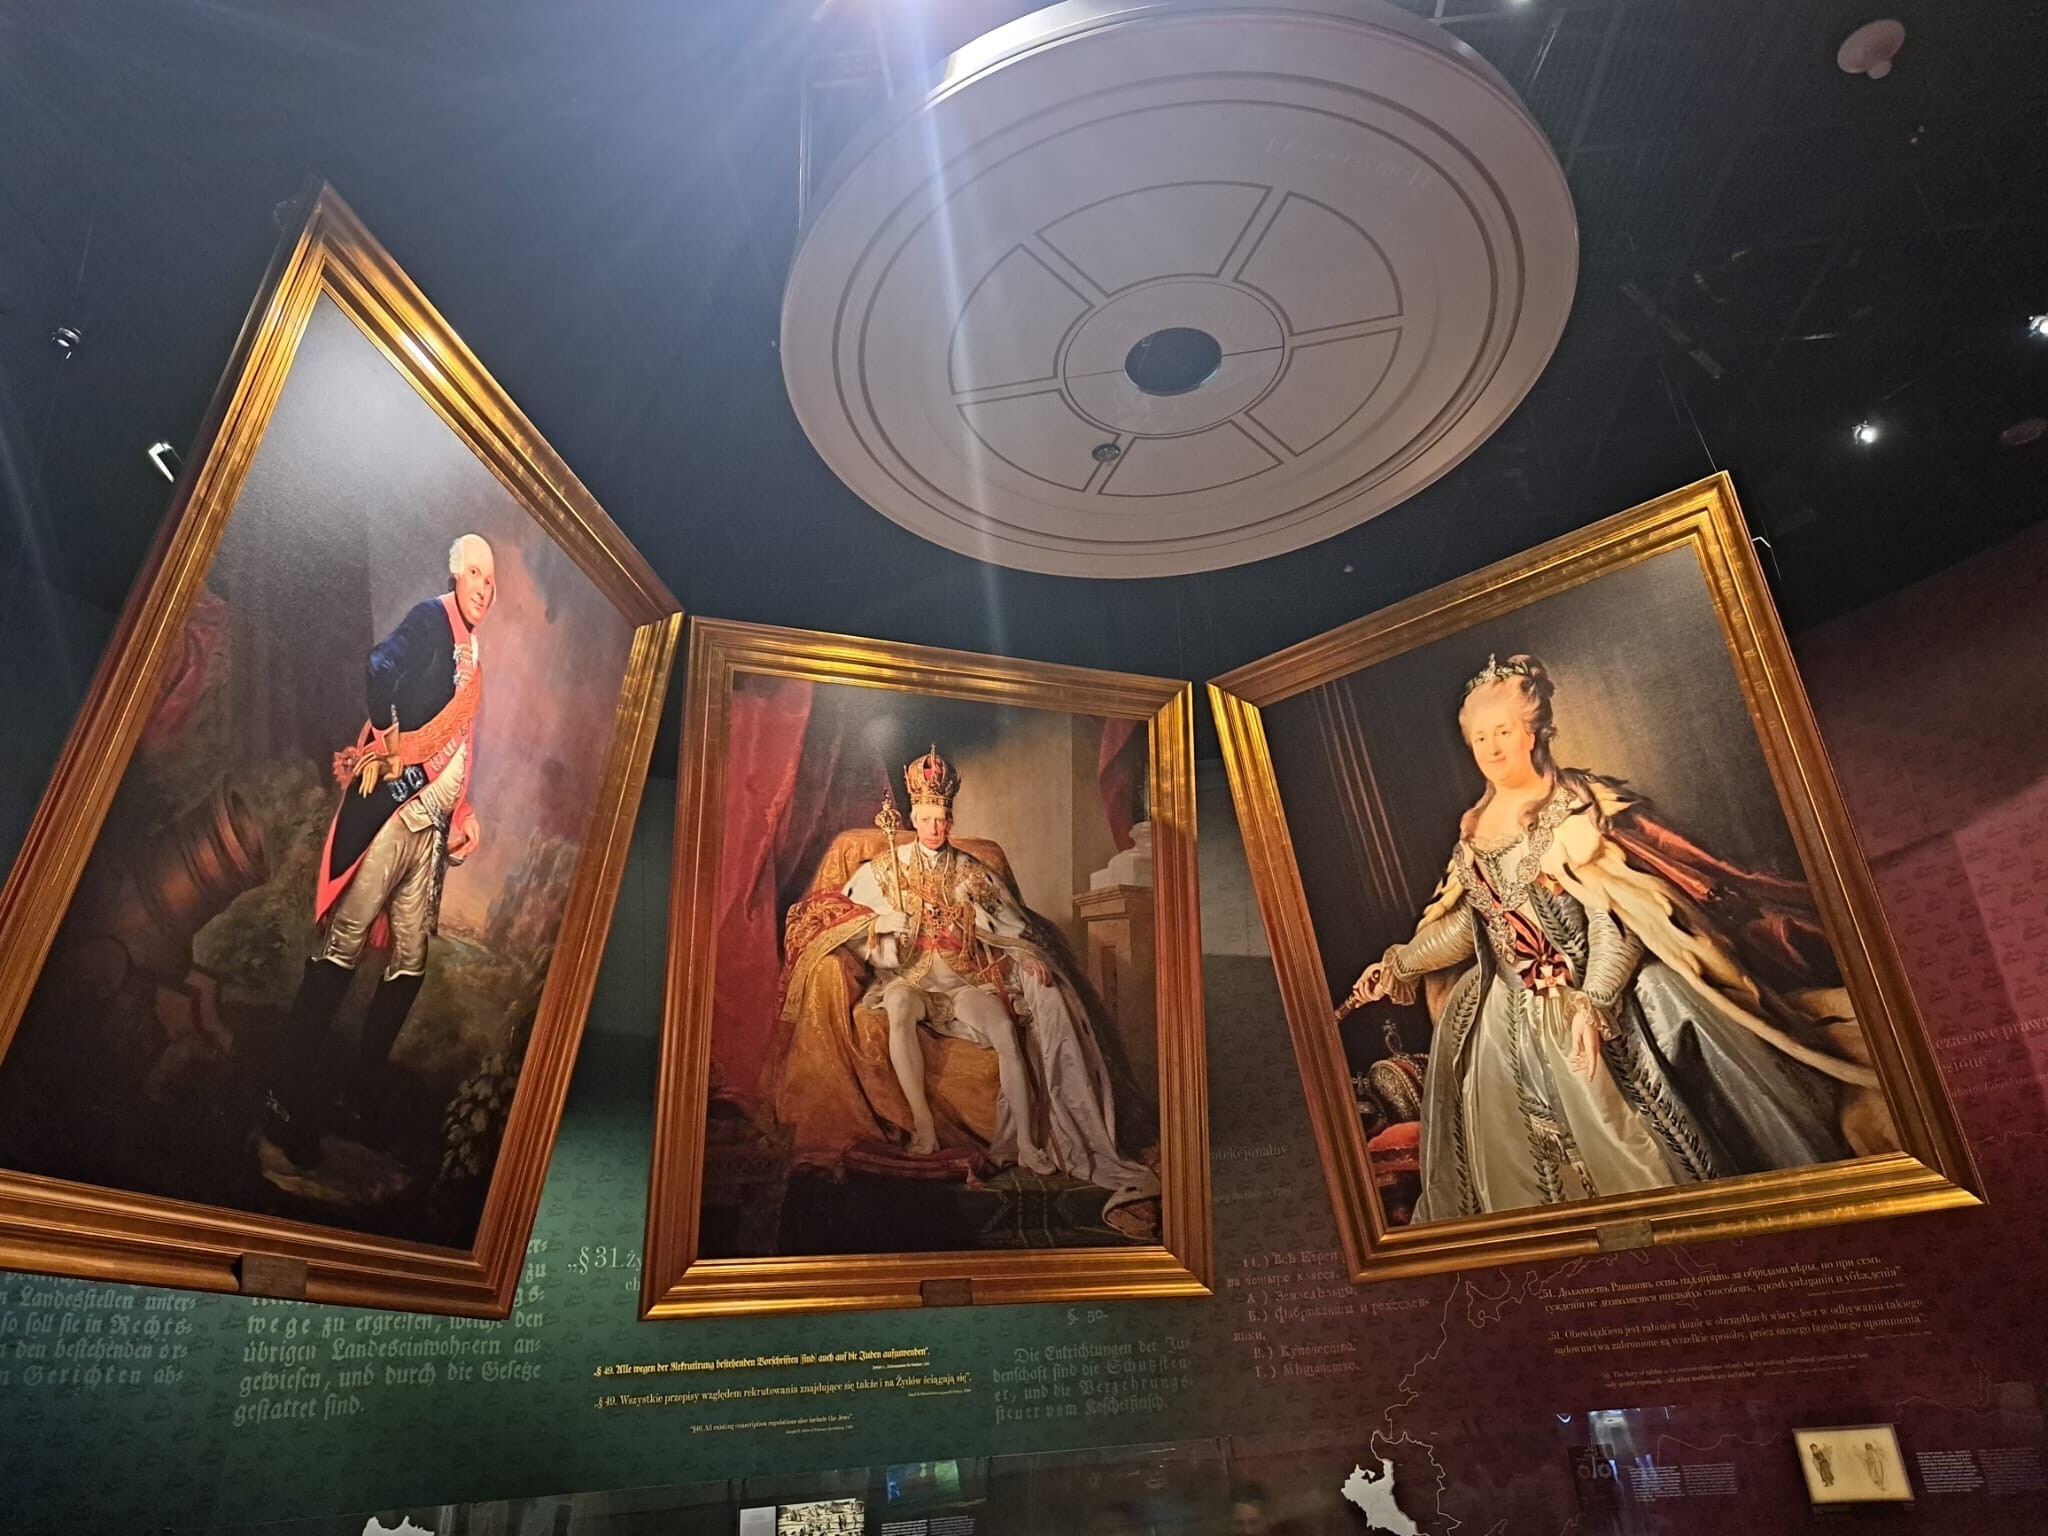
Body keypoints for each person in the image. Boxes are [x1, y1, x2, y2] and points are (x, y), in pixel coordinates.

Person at [1346, 654, 1890, 1223]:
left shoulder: (1576, 811)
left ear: (1533, 732)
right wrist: (1401, 964)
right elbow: (1469, 925)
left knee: (1664, 1022)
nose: (1492, 749)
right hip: (1506, 1018)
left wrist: (1596, 999)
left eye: (1503, 732)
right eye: (1480, 737)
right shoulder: (1475, 830)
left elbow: (1618, 919)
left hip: (1598, 989)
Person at [835, 748, 1158, 1216]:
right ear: (913, 818)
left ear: (950, 819)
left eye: (942, 819)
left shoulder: (972, 872)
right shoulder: (886, 868)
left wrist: (1025, 955)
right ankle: (924, 1127)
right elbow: (846, 923)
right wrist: (884, 925)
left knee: (1005, 1030)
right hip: (910, 979)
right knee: (900, 1008)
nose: (934, 828)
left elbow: (1013, 927)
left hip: (962, 980)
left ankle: (1026, 1142)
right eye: (926, 819)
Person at [264, 534, 495, 1166]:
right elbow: (379, 667)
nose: (484, 588)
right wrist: (391, 742)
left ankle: (355, 1097)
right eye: (476, 574)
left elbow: (459, 740)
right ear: (455, 574)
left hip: (430, 830)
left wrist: (463, 812)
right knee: (341, 949)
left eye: (491, 580)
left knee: (410, 965)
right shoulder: (429, 619)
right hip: (392, 814)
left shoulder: (474, 650)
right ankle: (285, 1100)